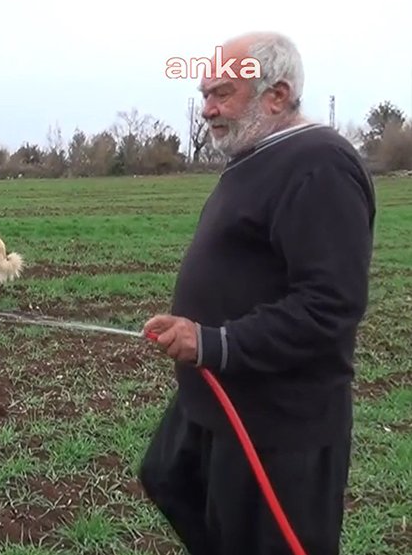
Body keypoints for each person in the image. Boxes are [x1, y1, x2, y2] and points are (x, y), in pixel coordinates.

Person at [138, 31, 376, 555]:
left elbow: (329, 304)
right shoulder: (255, 158)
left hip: (275, 425)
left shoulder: (319, 164)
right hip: (218, 402)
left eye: (222, 94)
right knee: (169, 479)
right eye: (204, 95)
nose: (207, 109)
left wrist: (214, 342)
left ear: (277, 94)